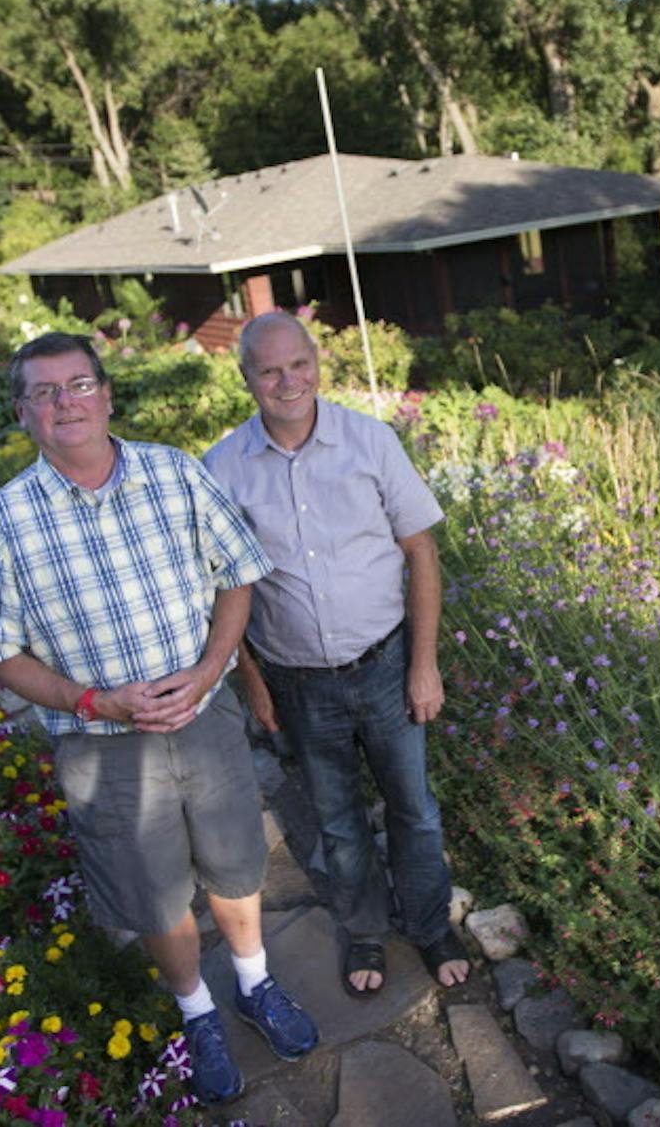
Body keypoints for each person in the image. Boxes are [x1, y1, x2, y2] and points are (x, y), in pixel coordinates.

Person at [0, 331, 317, 1104]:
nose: (66, 402)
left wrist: (210, 668)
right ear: (24, 413)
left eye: (79, 384)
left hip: (203, 714)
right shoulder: (4, 521)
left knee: (234, 859)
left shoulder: (174, 472)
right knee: (154, 891)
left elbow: (237, 577)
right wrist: (92, 701)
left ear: (107, 393)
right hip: (103, 744)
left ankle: (254, 984)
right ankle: (198, 1012)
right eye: (46, 392)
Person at [203, 311, 472, 998]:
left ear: (316, 362)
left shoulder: (369, 441)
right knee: (338, 822)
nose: (287, 381)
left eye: (298, 364)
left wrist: (424, 661)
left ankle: (430, 922)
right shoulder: (223, 467)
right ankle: (362, 930)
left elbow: (421, 551)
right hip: (296, 682)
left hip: (385, 665)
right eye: (269, 369)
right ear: (247, 378)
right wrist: (252, 680)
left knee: (414, 808)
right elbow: (221, 587)